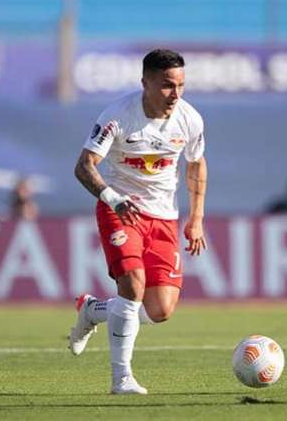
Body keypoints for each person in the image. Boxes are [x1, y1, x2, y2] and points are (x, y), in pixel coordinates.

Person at [68, 48, 207, 395]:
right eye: (166, 86)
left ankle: (93, 310)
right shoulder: (117, 115)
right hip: (120, 209)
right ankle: (122, 379)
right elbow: (84, 166)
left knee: (160, 310)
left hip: (163, 217)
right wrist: (112, 198)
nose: (175, 94)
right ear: (145, 82)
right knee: (132, 285)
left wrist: (196, 217)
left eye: (181, 85)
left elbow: (196, 164)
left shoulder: (190, 119)